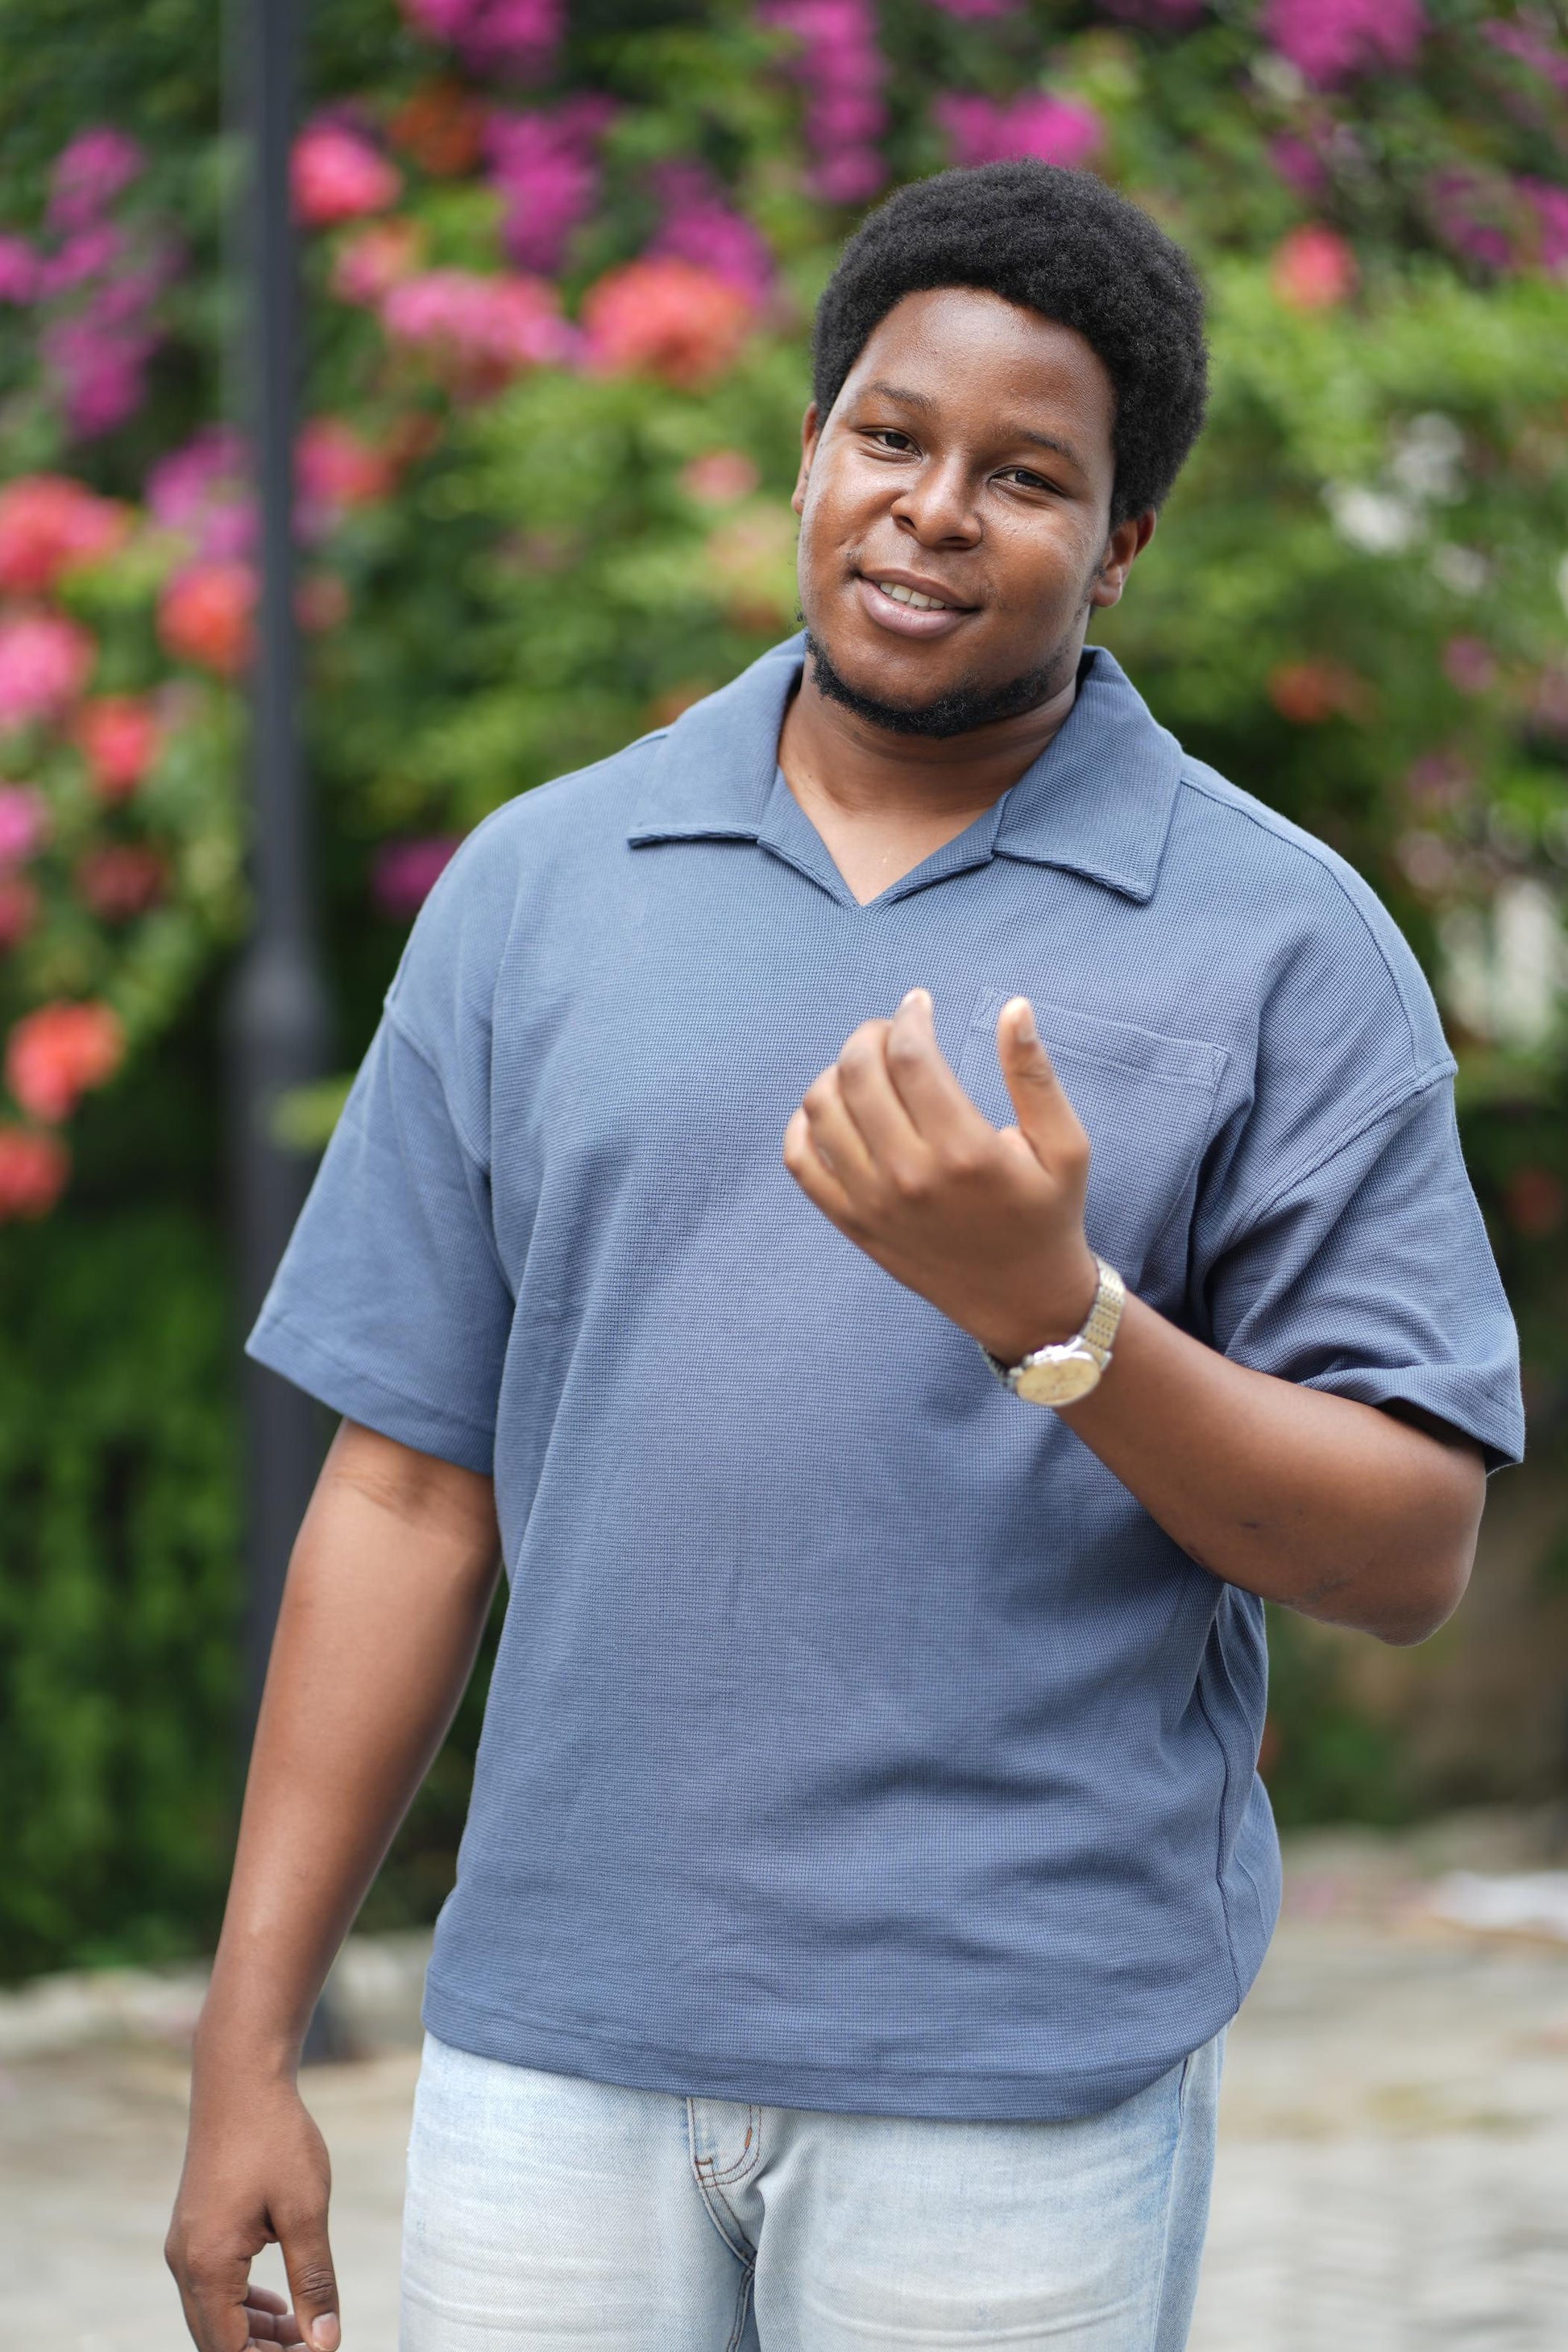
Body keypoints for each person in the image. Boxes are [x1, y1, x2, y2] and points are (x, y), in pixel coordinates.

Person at [167, 160, 1522, 2352]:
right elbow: (406, 1493)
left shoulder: (1284, 945)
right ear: (810, 449)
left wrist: (1057, 1321)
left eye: (1026, 477)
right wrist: (244, 2048)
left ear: (1122, 544)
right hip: (550, 2061)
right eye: (890, 437)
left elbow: (1405, 1553)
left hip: (1014, 2077)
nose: (931, 511)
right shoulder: (541, 889)